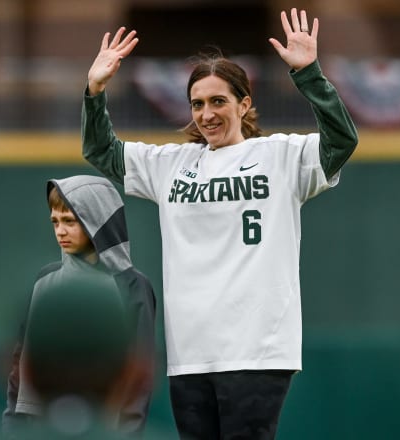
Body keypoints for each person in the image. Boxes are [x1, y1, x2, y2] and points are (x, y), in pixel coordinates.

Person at [81, 7, 358, 439]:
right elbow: (102, 151)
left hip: (257, 349)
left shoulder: (280, 156)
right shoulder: (172, 164)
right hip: (190, 351)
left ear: (244, 103)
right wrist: (95, 90)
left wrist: (309, 75)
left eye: (218, 101)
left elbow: (342, 141)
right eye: (197, 104)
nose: (206, 113)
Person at [1, 175, 156, 439]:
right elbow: (19, 365)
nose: (60, 230)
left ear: (98, 219)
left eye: (70, 221)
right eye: (55, 221)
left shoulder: (132, 285)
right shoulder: (44, 281)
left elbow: (136, 381)